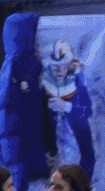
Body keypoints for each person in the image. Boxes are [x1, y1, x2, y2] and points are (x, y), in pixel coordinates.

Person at [40, 40, 96, 181]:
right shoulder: (44, 88)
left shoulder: (77, 84)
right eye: (54, 66)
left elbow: (88, 110)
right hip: (53, 156)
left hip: (76, 151)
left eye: (62, 65)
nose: (58, 70)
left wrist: (66, 106)